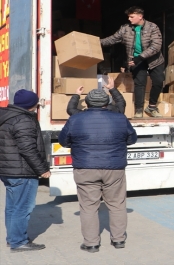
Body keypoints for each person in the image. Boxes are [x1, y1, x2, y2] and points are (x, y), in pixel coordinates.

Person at [58, 89, 138, 252]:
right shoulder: (120, 118)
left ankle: (91, 243)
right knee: (117, 204)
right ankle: (118, 240)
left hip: (85, 167)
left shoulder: (75, 119)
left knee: (88, 206)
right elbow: (132, 139)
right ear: (107, 103)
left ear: (86, 103)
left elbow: (64, 141)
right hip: (114, 167)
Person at [0, 90, 50, 252]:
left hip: (9, 169)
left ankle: (13, 238)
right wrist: (42, 170)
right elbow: (27, 149)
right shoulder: (24, 120)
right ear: (31, 105)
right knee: (22, 207)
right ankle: (18, 241)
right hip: (22, 170)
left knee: (12, 206)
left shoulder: (8, 116)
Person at [100, 6, 164, 118]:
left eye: (131, 16)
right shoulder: (125, 28)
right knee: (140, 84)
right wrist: (96, 42)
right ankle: (138, 110)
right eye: (128, 17)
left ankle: (152, 107)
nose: (129, 19)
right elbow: (112, 39)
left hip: (154, 59)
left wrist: (140, 57)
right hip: (135, 60)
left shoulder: (152, 27)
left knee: (158, 82)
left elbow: (156, 46)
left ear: (140, 16)